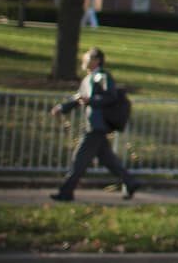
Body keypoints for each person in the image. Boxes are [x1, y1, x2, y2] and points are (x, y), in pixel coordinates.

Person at [49, 47, 140, 202]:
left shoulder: (102, 76)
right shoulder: (88, 78)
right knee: (108, 160)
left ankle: (66, 192)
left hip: (96, 126)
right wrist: (61, 108)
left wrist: (92, 100)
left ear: (97, 60)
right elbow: (78, 98)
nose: (84, 61)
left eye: (88, 58)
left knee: (79, 160)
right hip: (93, 125)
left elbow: (111, 96)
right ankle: (130, 182)